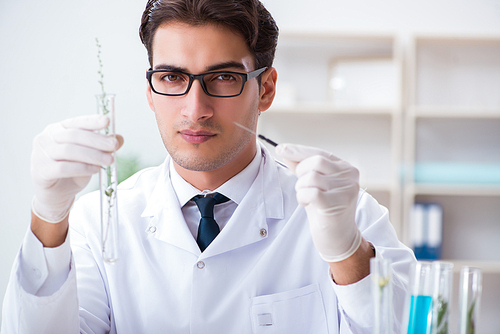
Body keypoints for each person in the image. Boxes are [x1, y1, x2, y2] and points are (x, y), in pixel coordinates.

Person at [1, 0, 416, 333]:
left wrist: (349, 255)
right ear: (151, 90)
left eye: (222, 78)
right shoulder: (98, 223)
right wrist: (48, 218)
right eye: (171, 77)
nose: (195, 109)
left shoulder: (349, 217)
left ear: (265, 89)